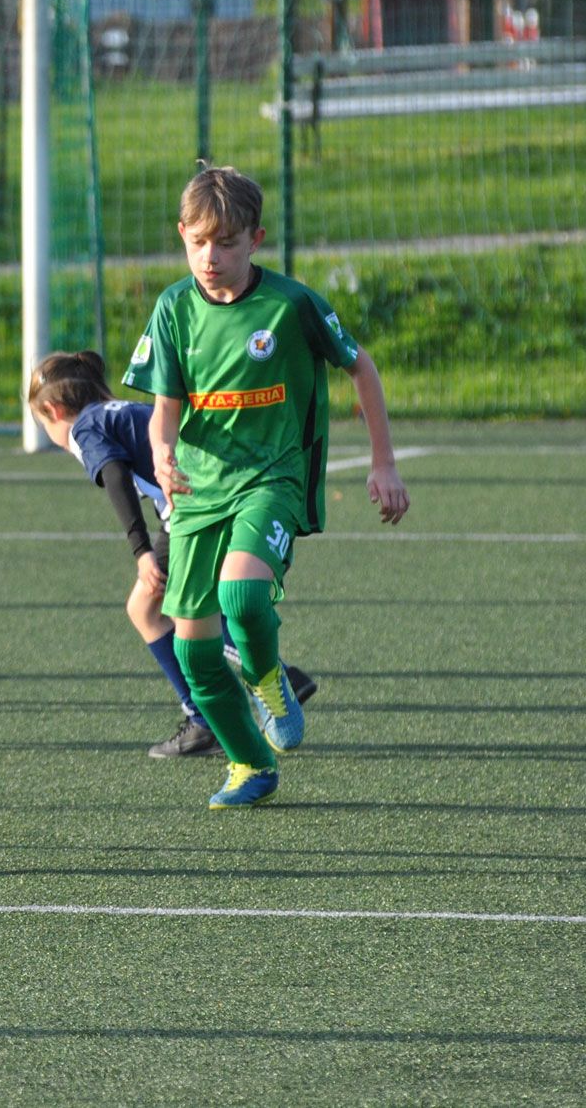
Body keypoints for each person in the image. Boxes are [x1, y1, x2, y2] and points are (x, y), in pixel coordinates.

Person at [123, 165, 408, 809]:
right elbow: (167, 403)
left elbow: (360, 367)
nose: (211, 257)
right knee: (194, 652)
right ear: (182, 237)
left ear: (255, 239)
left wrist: (382, 462)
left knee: (245, 595)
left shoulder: (291, 304)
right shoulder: (173, 308)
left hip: (271, 478)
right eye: (198, 242)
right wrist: (162, 452)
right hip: (197, 490)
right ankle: (250, 765)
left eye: (225, 243)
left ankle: (268, 676)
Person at [26, 350, 318, 758]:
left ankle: (216, 713)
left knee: (151, 610)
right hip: (225, 496)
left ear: (55, 410)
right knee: (177, 610)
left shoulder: (86, 426)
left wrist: (141, 551)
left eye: (43, 424)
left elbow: (114, 476)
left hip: (194, 512)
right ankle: (256, 690)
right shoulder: (120, 411)